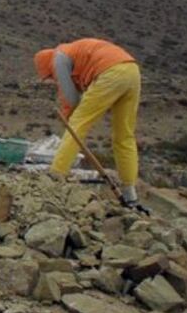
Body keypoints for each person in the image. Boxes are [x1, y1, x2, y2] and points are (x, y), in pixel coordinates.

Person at [34, 38, 141, 206]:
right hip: (132, 71)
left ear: (48, 67)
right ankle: (130, 194)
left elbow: (71, 99)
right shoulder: (73, 55)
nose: (53, 79)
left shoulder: (58, 58)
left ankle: (55, 176)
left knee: (77, 125)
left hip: (110, 72)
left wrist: (69, 118)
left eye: (50, 77)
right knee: (124, 136)